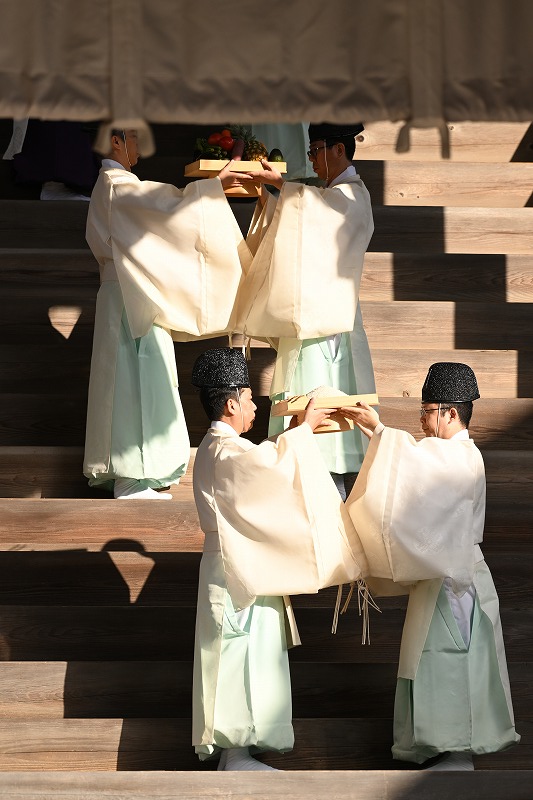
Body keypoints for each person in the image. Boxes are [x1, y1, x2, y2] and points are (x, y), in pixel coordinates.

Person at [190, 347, 363, 771]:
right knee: (236, 655)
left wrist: (295, 435)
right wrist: (299, 433)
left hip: (246, 563)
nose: (254, 407)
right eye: (250, 399)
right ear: (231, 403)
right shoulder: (221, 449)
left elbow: (262, 463)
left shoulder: (227, 449)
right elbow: (263, 467)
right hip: (235, 568)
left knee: (253, 652)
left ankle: (243, 752)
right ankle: (234, 753)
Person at [342, 362, 520, 770]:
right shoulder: (448, 454)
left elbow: (416, 466)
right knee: (431, 658)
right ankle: (444, 748)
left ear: (450, 413)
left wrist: (382, 431)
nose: (421, 421)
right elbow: (413, 469)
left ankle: (456, 750)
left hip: (456, 577)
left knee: (450, 659)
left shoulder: (458, 455)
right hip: (442, 572)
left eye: (426, 411)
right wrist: (377, 433)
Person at [84, 129, 249, 499]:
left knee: (147, 382)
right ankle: (130, 476)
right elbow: (167, 208)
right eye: (135, 137)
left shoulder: (121, 186)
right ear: (115, 140)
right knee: (131, 383)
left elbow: (161, 210)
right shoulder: (115, 185)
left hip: (136, 291)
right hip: (129, 294)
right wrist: (212, 187)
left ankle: (144, 474)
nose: (141, 145)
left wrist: (210, 189)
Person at [243, 123, 375, 500]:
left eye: (316, 150)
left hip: (329, 320)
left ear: (338, 150)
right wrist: (275, 195)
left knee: (327, 414)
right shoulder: (328, 196)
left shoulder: (351, 196)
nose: (313, 160)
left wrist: (282, 189)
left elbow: (316, 213)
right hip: (314, 313)